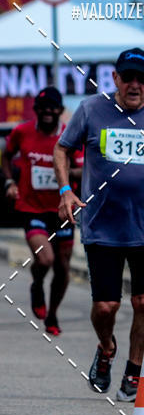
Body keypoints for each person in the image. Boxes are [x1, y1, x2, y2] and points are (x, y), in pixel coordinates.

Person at [53, 48, 144, 401]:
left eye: (141, 78)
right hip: (103, 226)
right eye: (126, 77)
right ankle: (106, 348)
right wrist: (65, 191)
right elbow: (62, 149)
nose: (133, 85)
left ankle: (134, 369)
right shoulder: (91, 108)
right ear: (115, 78)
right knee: (106, 307)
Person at [2, 87, 79, 336]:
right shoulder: (22, 132)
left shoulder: (70, 135)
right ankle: (37, 283)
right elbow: (6, 156)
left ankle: (53, 313)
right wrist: (10, 182)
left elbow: (83, 168)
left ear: (59, 110)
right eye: (42, 107)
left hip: (62, 210)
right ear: (36, 109)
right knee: (45, 258)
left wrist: (63, 172)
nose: (47, 111)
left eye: (52, 107)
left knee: (63, 268)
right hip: (31, 207)